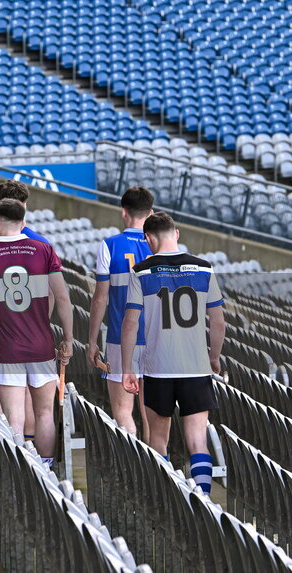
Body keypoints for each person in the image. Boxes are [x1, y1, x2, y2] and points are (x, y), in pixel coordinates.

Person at [122, 212, 225, 495]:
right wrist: (214, 357)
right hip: (196, 368)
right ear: (176, 234)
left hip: (158, 369)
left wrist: (127, 366)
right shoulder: (204, 269)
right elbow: (218, 321)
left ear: (149, 239)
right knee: (197, 441)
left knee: (158, 439)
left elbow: (130, 322)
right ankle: (203, 498)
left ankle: (164, 496)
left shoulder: (141, 271)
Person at [0, 199, 73, 468]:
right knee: (45, 414)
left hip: (6, 349)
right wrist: (68, 339)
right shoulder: (44, 249)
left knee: (14, 419)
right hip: (41, 346)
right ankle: (46, 469)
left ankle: (19, 470)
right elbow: (62, 297)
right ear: (24, 222)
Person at [0, 180, 50, 437]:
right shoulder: (40, 242)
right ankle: (34, 456)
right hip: (33, 333)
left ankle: (9, 449)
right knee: (29, 397)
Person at [88, 186, 154, 435]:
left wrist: (92, 341)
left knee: (123, 411)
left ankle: (136, 464)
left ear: (123, 212)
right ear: (151, 213)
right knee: (150, 414)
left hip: (119, 338)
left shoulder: (109, 246)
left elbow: (100, 299)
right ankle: (156, 467)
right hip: (155, 338)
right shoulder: (160, 246)